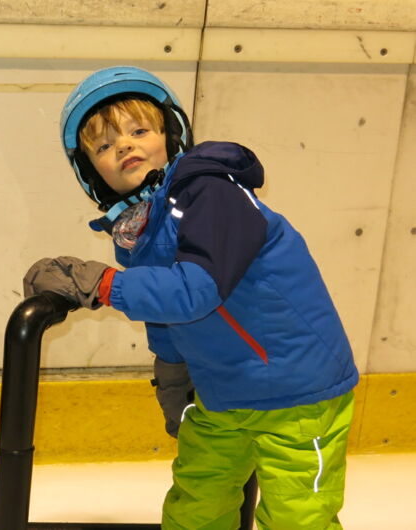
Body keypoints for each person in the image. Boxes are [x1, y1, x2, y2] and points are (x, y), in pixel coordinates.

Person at [23, 66, 359, 529]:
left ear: (172, 135)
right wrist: (172, 369)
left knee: (299, 517)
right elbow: (166, 311)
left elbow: (195, 290)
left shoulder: (212, 193)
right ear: (90, 172)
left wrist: (100, 284)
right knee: (196, 507)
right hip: (223, 394)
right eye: (103, 145)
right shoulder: (139, 229)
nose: (124, 145)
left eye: (139, 130)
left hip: (297, 394)